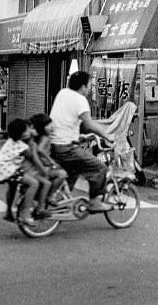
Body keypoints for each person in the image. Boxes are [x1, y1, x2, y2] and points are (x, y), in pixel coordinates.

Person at [49, 71, 114, 212]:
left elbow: (66, 121)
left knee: (74, 170)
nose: (90, 89)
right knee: (99, 168)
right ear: (83, 87)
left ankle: (60, 201)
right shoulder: (80, 100)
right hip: (66, 148)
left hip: (53, 145)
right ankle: (95, 202)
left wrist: (79, 136)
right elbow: (89, 124)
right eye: (89, 85)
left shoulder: (63, 93)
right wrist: (107, 135)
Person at [0, 119, 49, 226]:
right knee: (34, 183)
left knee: (13, 186)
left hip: (2, 171)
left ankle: (9, 212)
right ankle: (25, 214)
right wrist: (32, 142)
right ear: (21, 135)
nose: (29, 131)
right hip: (10, 170)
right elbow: (32, 157)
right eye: (27, 131)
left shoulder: (11, 141)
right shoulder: (21, 146)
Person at [28, 113, 68, 201]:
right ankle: (50, 195)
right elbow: (40, 149)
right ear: (42, 127)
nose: (51, 127)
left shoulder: (40, 137)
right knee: (62, 174)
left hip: (40, 165)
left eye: (51, 125)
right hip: (43, 166)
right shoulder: (45, 137)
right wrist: (51, 160)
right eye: (48, 125)